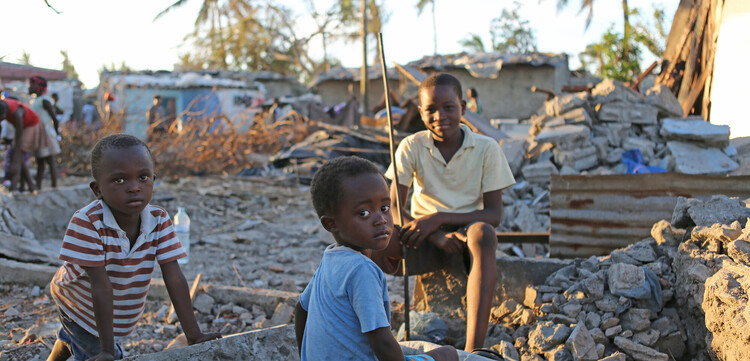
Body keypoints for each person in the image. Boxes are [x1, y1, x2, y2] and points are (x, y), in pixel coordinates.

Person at [370, 73, 515, 353]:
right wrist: (434, 233)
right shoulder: (412, 145)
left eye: (448, 107)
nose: (440, 116)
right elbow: (394, 207)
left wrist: (439, 218)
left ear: (462, 106)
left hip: (465, 233)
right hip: (422, 234)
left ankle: (474, 349)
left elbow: (494, 214)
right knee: (370, 242)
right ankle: (376, 337)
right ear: (421, 112)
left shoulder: (487, 148)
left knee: (484, 234)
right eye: (431, 110)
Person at [46, 134, 220, 361]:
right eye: (120, 180)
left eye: (143, 177)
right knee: (98, 350)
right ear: (97, 189)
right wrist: (107, 350)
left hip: (109, 309)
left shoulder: (159, 219)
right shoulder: (87, 222)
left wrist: (194, 335)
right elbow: (101, 286)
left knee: (76, 338)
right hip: (78, 302)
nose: (134, 188)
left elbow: (174, 277)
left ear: (153, 180)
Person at [294, 156, 458, 361]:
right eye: (363, 213)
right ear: (330, 224)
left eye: (385, 208)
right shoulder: (362, 269)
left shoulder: (330, 260)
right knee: (448, 354)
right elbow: (381, 341)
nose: (380, 220)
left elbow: (301, 309)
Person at [0, 98, 50, 192]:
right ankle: (23, 186)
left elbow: (19, 135)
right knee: (18, 155)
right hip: (23, 128)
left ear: (5, 114)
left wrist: (15, 157)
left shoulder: (16, 114)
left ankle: (22, 185)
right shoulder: (3, 105)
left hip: (32, 125)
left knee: (18, 155)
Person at [28, 76, 61, 189]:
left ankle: (54, 186)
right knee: (40, 161)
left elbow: (55, 119)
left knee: (50, 160)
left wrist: (56, 134)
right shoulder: (36, 101)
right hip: (39, 134)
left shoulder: (45, 100)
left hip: (47, 134)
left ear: (38, 87)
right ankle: (38, 186)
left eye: (31, 85)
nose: (29, 87)